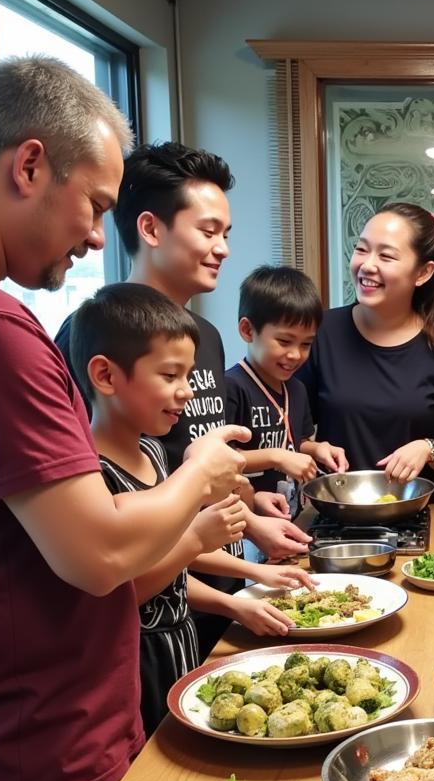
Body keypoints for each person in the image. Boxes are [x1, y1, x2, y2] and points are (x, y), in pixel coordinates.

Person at [0, 57, 247, 781]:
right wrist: (201, 472)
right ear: (28, 167)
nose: (99, 239)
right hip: (31, 759)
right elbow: (96, 551)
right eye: (95, 206)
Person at [54, 142, 312, 656]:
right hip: (140, 614)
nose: (223, 249)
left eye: (226, 234)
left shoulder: (208, 337)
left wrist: (253, 514)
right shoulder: (87, 341)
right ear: (151, 229)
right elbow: (97, 514)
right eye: (208, 231)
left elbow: (198, 467)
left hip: (208, 595)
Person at [71, 283, 296, 736]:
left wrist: (249, 581)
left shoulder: (154, 454)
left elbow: (167, 559)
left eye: (188, 376)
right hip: (136, 660)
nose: (187, 392)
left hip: (181, 640)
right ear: (106, 376)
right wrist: (197, 536)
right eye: (170, 376)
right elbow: (126, 589)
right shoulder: (92, 477)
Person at [296, 202, 434, 503]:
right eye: (362, 249)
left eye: (386, 256)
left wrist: (428, 448)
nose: (367, 265)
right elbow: (289, 429)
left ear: (423, 272)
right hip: (338, 513)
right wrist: (314, 449)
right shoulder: (321, 331)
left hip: (422, 514)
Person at [226, 265, 348, 507]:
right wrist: (277, 457)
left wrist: (318, 448)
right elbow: (222, 459)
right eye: (284, 341)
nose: (295, 355)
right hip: (248, 520)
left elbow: (297, 441)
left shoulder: (296, 388)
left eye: (305, 344)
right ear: (248, 330)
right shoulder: (232, 386)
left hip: (290, 512)